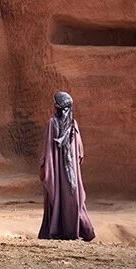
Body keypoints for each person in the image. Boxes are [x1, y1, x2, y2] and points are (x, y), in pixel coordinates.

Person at [38, 90, 95, 241]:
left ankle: (57, 230)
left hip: (57, 172)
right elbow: (80, 152)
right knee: (74, 197)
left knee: (57, 197)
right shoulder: (73, 124)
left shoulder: (53, 123)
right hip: (72, 172)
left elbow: (49, 149)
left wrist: (45, 166)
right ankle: (83, 231)